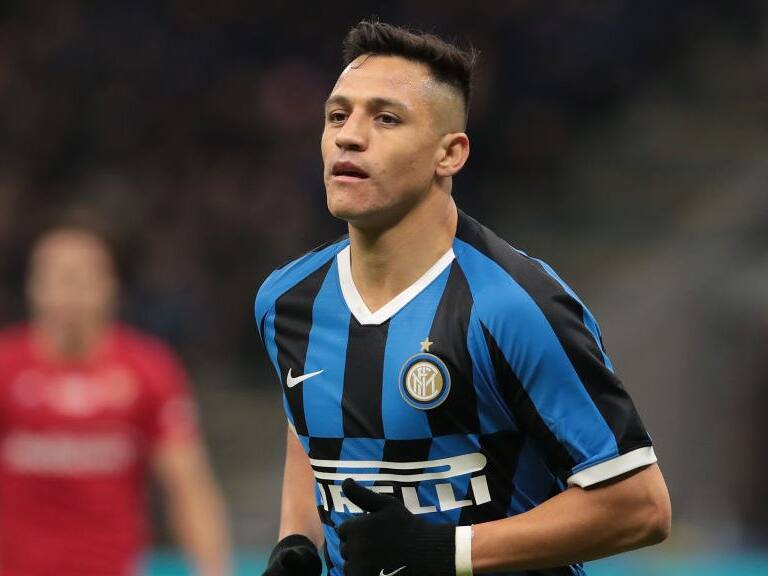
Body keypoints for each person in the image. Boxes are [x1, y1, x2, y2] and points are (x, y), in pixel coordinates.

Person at [255, 20, 671, 576]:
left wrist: (446, 551)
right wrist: (297, 541)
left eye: (385, 117)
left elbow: (639, 507)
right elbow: (309, 428)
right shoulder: (286, 301)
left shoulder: (515, 306)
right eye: (338, 115)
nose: (348, 136)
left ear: (449, 154)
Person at [0, 220, 231, 576]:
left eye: (82, 277)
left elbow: (189, 488)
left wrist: (214, 569)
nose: (71, 292)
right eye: (59, 277)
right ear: (34, 287)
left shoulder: (148, 370)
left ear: (111, 286)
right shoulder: (6, 368)